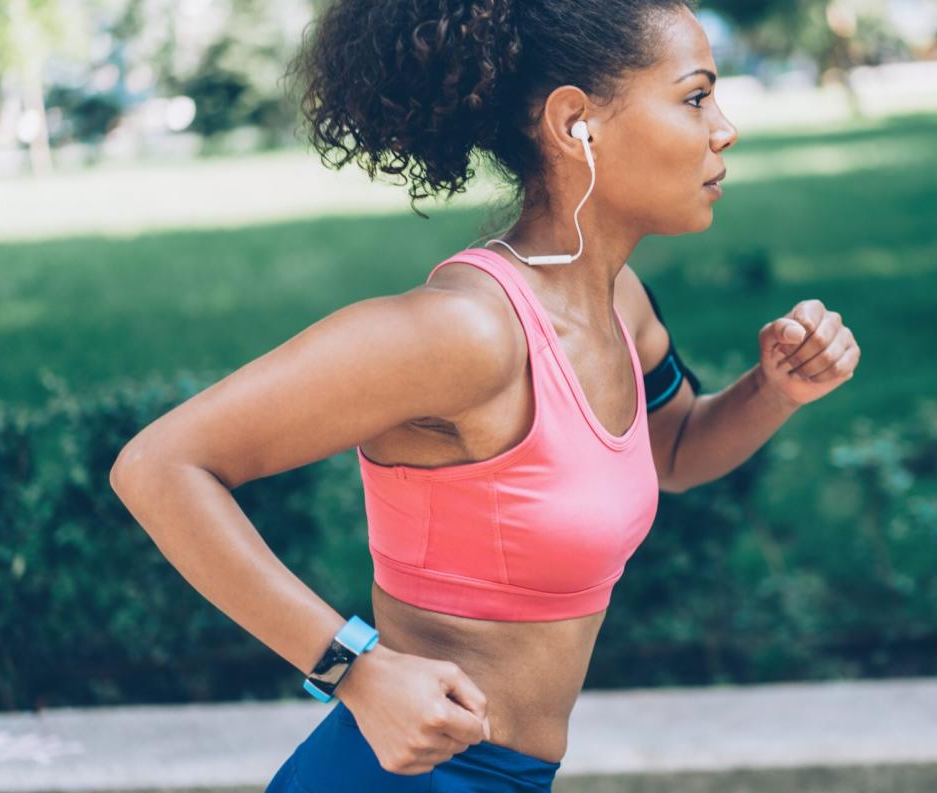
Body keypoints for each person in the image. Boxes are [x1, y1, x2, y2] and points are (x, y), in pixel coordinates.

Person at [108, 0, 862, 790]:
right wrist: (354, 670)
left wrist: (774, 391)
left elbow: (672, 451)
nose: (724, 129)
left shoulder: (619, 303)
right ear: (576, 122)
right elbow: (159, 465)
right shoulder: (466, 333)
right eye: (696, 97)